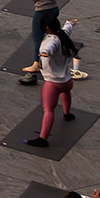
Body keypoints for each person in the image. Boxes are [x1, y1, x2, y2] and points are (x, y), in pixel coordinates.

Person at [24, 15, 80, 147]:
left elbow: (49, 47)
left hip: (52, 83)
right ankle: (67, 114)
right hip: (66, 81)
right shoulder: (62, 34)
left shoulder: (51, 40)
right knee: (66, 94)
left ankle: (43, 138)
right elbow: (67, 29)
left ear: (47, 27)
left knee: (48, 110)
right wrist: (70, 23)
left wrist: (44, 52)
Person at [15, 0, 61, 83]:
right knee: (50, 35)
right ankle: (50, 58)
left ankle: (36, 64)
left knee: (37, 38)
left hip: (43, 10)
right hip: (53, 8)